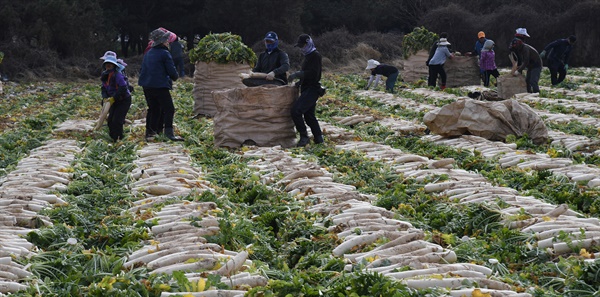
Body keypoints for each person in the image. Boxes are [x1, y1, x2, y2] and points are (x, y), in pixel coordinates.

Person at [138, 28, 183, 142]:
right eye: (166, 40)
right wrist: (175, 76)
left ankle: (150, 132)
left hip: (146, 85)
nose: (168, 42)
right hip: (159, 85)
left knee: (153, 108)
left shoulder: (148, 53)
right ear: (162, 42)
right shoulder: (164, 53)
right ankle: (169, 133)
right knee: (169, 108)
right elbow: (171, 71)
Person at [288, 34, 324, 147]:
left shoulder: (315, 56)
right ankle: (319, 138)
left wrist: (298, 74)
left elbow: (314, 74)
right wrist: (299, 83)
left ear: (308, 44)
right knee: (309, 116)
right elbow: (308, 75)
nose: (301, 48)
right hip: (306, 88)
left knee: (296, 111)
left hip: (312, 89)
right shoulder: (308, 56)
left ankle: (304, 137)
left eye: (303, 45)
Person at [100, 55, 132, 142]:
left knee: (117, 120)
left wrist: (114, 97)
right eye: (107, 64)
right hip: (112, 100)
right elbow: (103, 88)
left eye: (110, 64)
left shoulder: (118, 75)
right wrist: (105, 97)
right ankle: (112, 138)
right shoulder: (104, 75)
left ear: (114, 65)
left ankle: (119, 139)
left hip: (123, 100)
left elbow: (123, 88)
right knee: (110, 120)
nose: (108, 66)